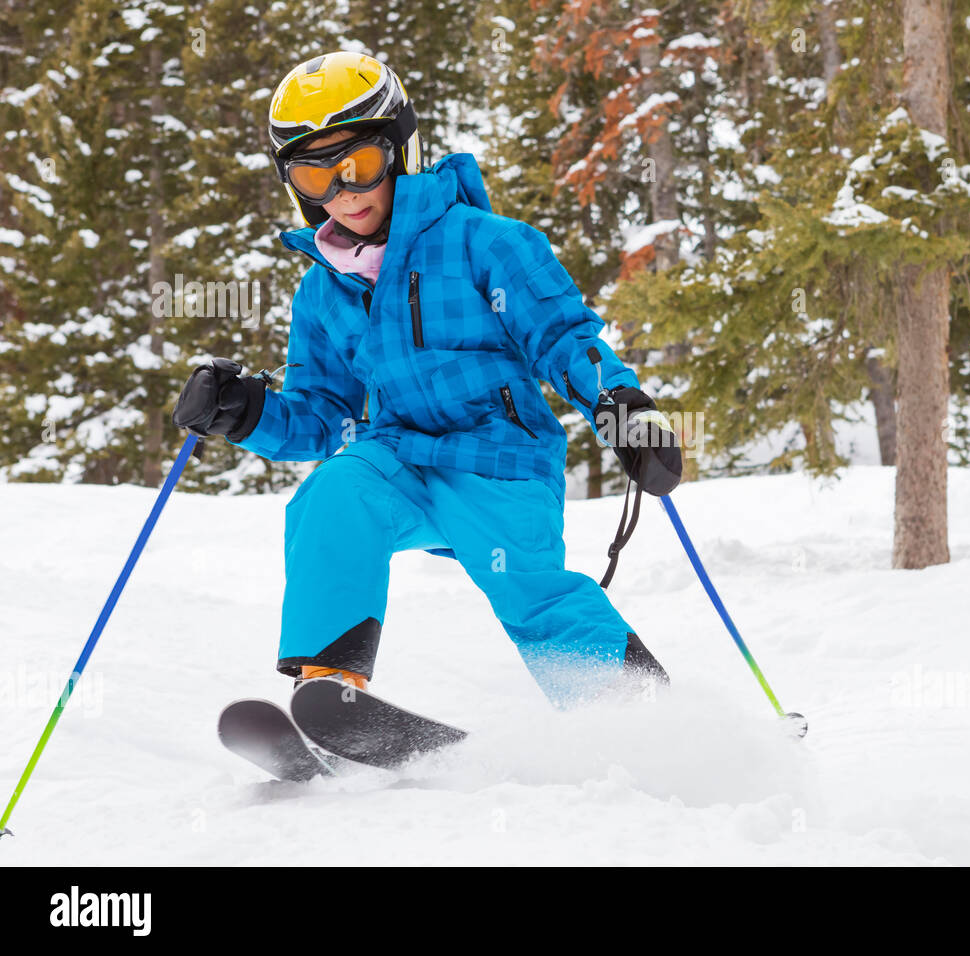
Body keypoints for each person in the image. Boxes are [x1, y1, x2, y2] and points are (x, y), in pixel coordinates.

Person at [172, 51, 681, 707]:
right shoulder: (322, 290)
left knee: (533, 595)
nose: (341, 193)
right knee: (333, 494)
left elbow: (563, 339)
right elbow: (323, 417)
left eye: (356, 166)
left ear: (399, 150)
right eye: (313, 174)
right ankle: (333, 689)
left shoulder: (488, 242)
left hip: (499, 458)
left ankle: (647, 717)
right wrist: (245, 412)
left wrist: (621, 410)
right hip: (400, 458)